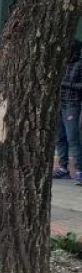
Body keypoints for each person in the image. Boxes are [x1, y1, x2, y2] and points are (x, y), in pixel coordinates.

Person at [53, 40, 82, 183]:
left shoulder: (80, 64)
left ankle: (79, 171)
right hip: (58, 103)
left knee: (72, 138)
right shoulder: (60, 64)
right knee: (60, 137)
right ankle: (63, 169)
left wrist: (65, 83)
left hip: (72, 104)